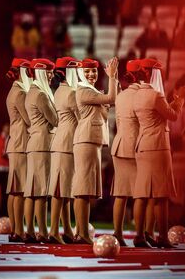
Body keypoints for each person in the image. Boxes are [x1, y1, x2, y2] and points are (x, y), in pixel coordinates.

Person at [132, 58, 185, 248]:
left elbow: (162, 113)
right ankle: (162, 237)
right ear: (154, 73)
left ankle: (140, 235)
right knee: (161, 195)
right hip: (157, 147)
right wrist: (181, 98)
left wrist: (174, 101)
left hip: (142, 145)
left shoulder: (137, 95)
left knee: (142, 194)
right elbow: (173, 116)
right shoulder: (155, 95)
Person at [72, 57, 119, 245]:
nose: (91, 74)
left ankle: (82, 232)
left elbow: (109, 102)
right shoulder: (83, 90)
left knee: (86, 190)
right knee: (82, 190)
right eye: (87, 71)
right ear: (81, 73)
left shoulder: (90, 91)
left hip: (91, 141)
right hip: (86, 140)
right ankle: (81, 233)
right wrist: (113, 77)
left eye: (94, 71)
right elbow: (111, 98)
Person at [47, 57, 81, 244]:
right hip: (67, 143)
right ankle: (53, 230)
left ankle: (66, 229)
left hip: (61, 141)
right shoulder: (71, 92)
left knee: (64, 188)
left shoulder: (59, 90)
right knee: (60, 190)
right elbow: (81, 115)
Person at [24, 58, 58, 243]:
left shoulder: (32, 91)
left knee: (32, 190)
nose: (51, 76)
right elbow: (55, 120)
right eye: (49, 72)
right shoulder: (42, 95)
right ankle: (42, 232)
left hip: (34, 143)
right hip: (43, 144)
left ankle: (29, 230)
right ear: (40, 73)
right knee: (42, 192)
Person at [110, 59, 143, 246]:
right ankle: (140, 235)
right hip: (136, 147)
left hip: (119, 145)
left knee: (120, 194)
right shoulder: (143, 95)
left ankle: (118, 233)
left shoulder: (121, 95)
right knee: (140, 194)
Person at [3, 58, 32, 241]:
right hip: (21, 143)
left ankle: (15, 229)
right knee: (19, 189)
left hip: (15, 142)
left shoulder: (13, 91)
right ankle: (19, 230)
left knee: (14, 189)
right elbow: (29, 119)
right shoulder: (20, 93)